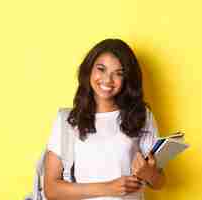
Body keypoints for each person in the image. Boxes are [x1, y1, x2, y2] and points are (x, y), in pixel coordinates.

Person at [44, 38, 166, 200]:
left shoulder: (140, 115)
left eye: (118, 73)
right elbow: (51, 189)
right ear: (89, 70)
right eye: (101, 69)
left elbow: (159, 182)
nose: (108, 80)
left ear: (127, 78)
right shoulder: (68, 120)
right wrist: (108, 188)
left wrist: (149, 174)